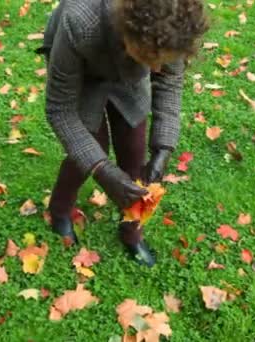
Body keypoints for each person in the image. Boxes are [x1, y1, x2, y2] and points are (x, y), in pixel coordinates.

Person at [36, 0, 208, 267]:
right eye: (152, 61)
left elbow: (169, 80)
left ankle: (131, 231)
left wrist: (164, 146)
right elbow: (61, 110)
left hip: (131, 62)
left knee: (134, 146)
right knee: (90, 147)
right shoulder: (80, 21)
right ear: (130, 33)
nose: (157, 71)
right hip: (81, 64)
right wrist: (102, 169)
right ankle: (59, 210)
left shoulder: (171, 22)